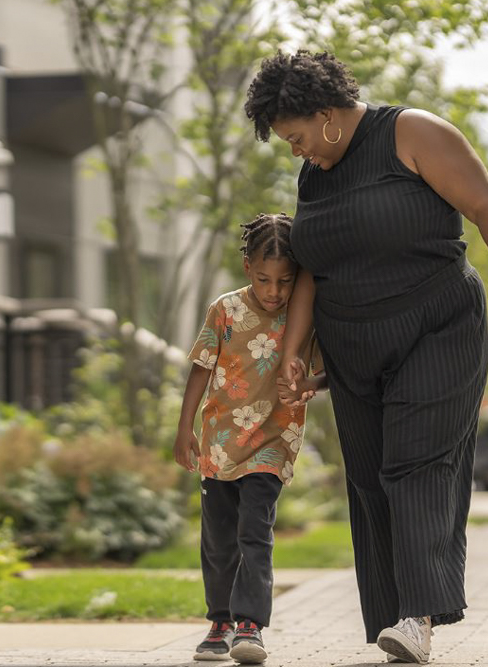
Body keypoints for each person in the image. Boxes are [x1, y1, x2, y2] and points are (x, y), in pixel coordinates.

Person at [244, 50, 488, 664]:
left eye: (296, 137)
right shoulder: (315, 176)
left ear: (325, 116)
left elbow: (487, 207)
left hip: (436, 329)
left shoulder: (413, 133)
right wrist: (294, 353)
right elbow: (312, 270)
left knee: (414, 466)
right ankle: (396, 616)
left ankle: (417, 618)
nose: (296, 152)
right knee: (370, 481)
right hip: (353, 351)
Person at [173, 212, 325, 664]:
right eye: (263, 279)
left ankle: (250, 625)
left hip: (273, 442)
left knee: (254, 533)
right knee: (219, 540)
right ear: (247, 269)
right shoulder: (225, 310)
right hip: (220, 443)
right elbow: (200, 368)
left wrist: (307, 385)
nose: (274, 291)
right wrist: (185, 428)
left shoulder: (305, 316)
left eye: (284, 281)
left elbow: (324, 372)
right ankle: (220, 622)